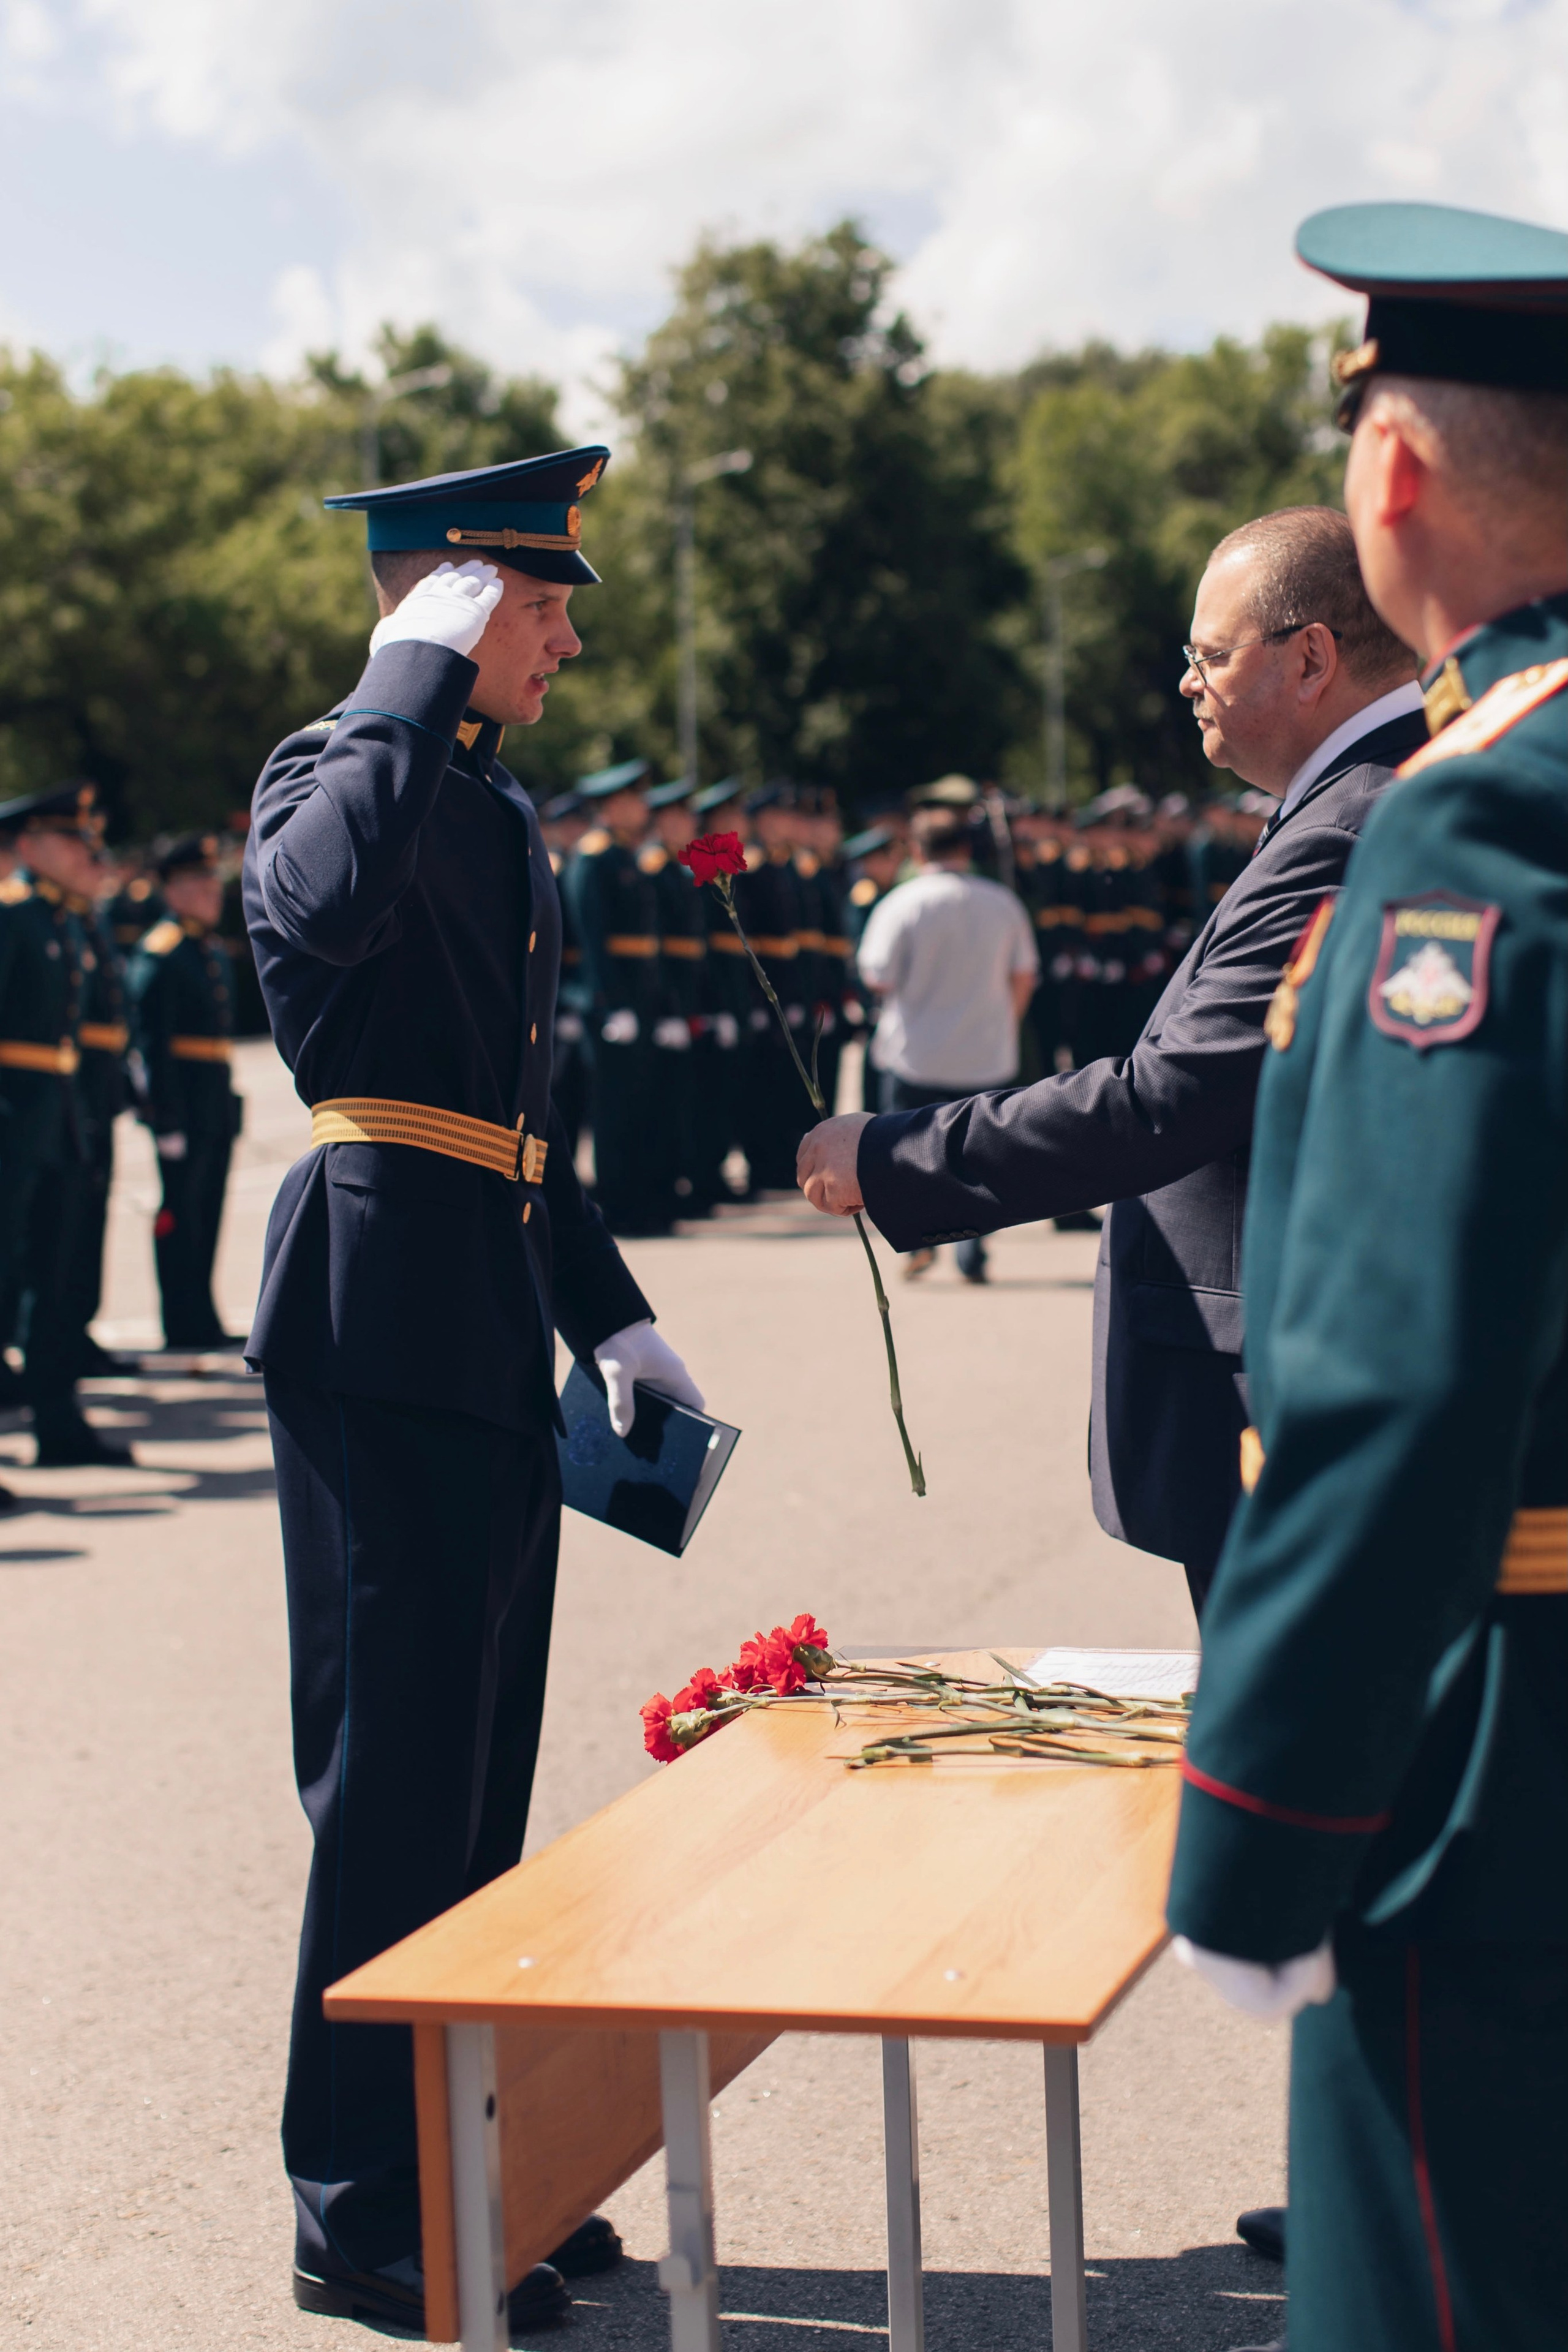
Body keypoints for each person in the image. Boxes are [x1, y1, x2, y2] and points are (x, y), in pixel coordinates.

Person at [242, 447, 706, 2337]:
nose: (568, 639)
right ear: (445, 596)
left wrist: (611, 1312)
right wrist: (396, 689)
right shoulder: (338, 766)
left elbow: (514, 1121)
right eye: (541, 600)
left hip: (483, 1303)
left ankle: (456, 2146)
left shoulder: (488, 808)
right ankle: (357, 2202)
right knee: (389, 1784)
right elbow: (308, 922)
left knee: (475, 1778)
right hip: (371, 1309)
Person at [1166, 202, 1567, 2352]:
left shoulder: (1484, 818)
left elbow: (1402, 1386)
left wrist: (1261, 1826)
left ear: (1390, 476)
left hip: (1505, 1772)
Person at [802, 505, 1424, 1612]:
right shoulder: (1357, 801)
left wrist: (891, 1153)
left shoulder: (1352, 818)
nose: (1187, 681)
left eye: (1211, 654)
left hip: (1278, 1387)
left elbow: (1169, 1101)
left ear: (1313, 657)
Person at [0, 783, 130, 1471]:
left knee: (53, 1278)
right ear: (28, 847)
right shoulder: (12, 915)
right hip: (12, 1120)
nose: (86, 852)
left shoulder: (60, 919)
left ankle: (59, 1424)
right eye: (69, 838)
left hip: (54, 1118)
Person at [855, 804, 1039, 1284]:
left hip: (915, 1050)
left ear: (916, 850)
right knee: (981, 1156)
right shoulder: (1001, 901)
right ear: (966, 849)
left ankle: (918, 1237)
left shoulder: (901, 901)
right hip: (986, 1050)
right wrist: (1004, 1021)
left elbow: (877, 976)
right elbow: (1023, 975)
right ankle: (974, 1247)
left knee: (905, 1153)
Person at [126, 834, 245, 1351]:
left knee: (210, 1210)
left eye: (211, 879)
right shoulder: (163, 953)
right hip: (184, 1100)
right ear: (171, 891)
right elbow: (150, 1046)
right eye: (198, 882)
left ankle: (202, 1314)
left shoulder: (207, 947)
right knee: (182, 1212)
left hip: (213, 1098)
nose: (211, 890)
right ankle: (181, 1320)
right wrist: (164, 1117)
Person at [562, 758, 673, 1237]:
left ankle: (643, 1202)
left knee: (642, 1104)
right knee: (613, 1111)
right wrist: (608, 1004)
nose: (640, 807)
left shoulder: (627, 855)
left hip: (639, 1001)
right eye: (630, 799)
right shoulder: (593, 858)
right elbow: (592, 941)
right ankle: (619, 1207)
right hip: (611, 1005)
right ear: (608, 807)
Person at [644, 775, 706, 1215]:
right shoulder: (652, 870)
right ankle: (658, 1192)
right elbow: (655, 950)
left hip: (689, 997)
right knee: (658, 1105)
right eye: (675, 817)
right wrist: (666, 1007)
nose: (685, 824)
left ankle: (681, 1186)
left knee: (686, 1101)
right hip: (662, 1000)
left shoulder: (680, 870)